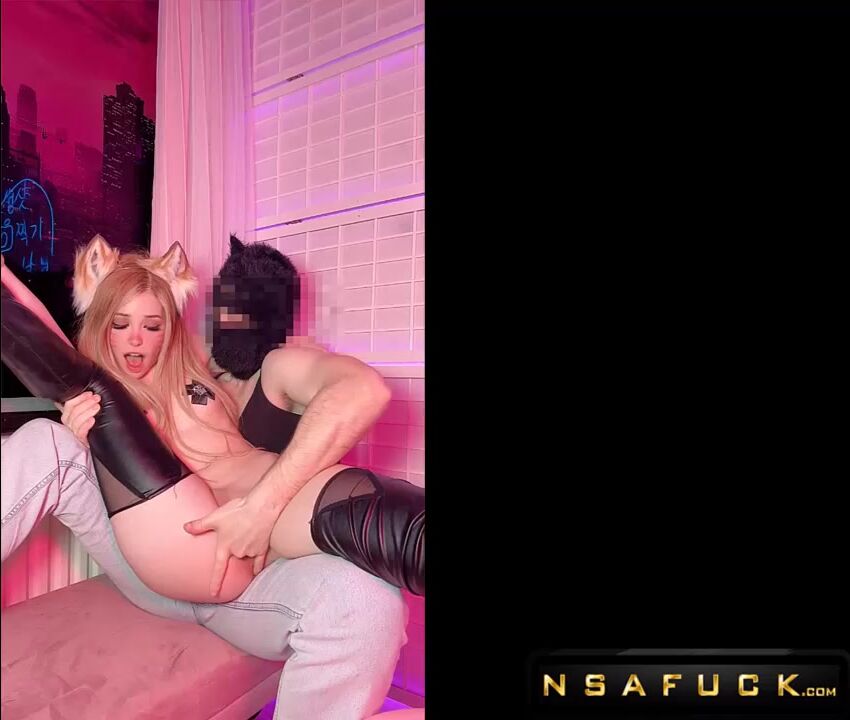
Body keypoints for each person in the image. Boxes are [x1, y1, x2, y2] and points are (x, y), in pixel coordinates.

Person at [1, 246, 416, 719]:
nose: (136, 339)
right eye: (120, 324)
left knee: (371, 599)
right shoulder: (101, 391)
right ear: (102, 327)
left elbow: (272, 355)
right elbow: (37, 334)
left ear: (169, 329)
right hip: (167, 547)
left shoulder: (194, 365)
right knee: (49, 440)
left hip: (249, 547)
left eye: (152, 326)